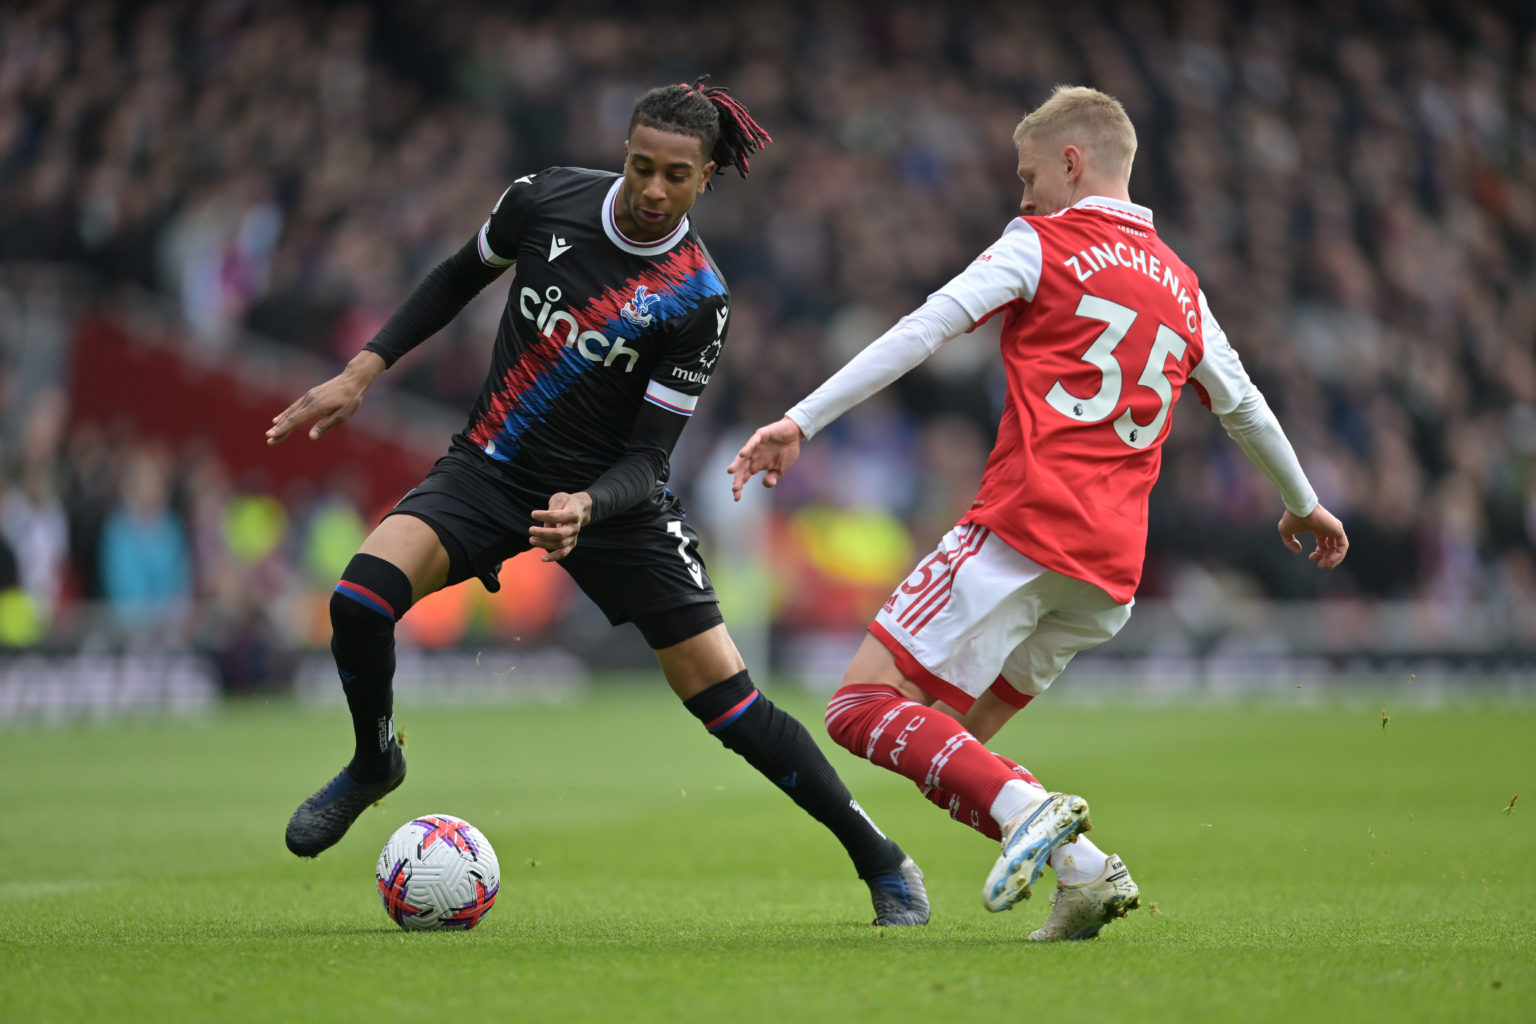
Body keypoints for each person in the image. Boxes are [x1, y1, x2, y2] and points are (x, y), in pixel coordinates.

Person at [266, 79, 928, 927]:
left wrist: (587, 505)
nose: (654, 190)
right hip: (489, 469)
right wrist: (365, 367)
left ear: (708, 177)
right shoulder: (544, 201)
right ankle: (373, 762)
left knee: (727, 704)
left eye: (677, 176)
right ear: (624, 153)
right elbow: (458, 277)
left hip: (615, 503)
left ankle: (881, 861)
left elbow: (650, 458)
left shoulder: (699, 299)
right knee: (358, 601)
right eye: (642, 166)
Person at [728, 85, 1349, 940]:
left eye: (1029, 175)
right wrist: (1304, 503)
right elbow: (1241, 405)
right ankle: (1084, 872)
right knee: (948, 744)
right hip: (1109, 574)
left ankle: (1039, 814)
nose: (1021, 196)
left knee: (859, 710)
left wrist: (802, 419)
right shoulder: (1182, 282)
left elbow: (926, 326)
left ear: (1072, 161)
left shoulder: (1045, 241)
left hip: (1019, 532)